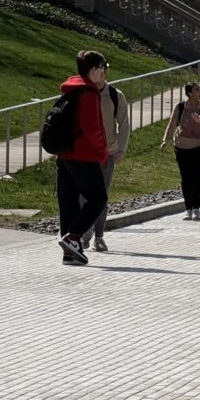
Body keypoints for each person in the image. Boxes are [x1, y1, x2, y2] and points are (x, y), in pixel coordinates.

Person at [55, 50, 110, 266]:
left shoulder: (71, 89)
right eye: (102, 68)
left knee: (69, 203)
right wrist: (102, 152)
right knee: (98, 198)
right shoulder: (88, 93)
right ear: (94, 69)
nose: (104, 72)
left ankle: (69, 252)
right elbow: (92, 129)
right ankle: (73, 237)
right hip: (84, 155)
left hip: (65, 154)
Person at [80, 68, 129, 252]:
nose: (99, 76)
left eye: (101, 72)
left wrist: (121, 149)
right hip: (85, 154)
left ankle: (98, 236)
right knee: (83, 196)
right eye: (95, 71)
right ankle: (84, 233)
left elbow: (124, 124)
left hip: (107, 153)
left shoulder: (116, 95)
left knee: (101, 196)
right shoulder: (83, 93)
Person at [161, 82, 200, 221]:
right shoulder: (181, 107)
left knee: (197, 177)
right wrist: (165, 140)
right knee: (186, 178)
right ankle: (188, 208)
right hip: (181, 148)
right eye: (197, 90)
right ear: (189, 93)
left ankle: (197, 208)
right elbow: (172, 124)